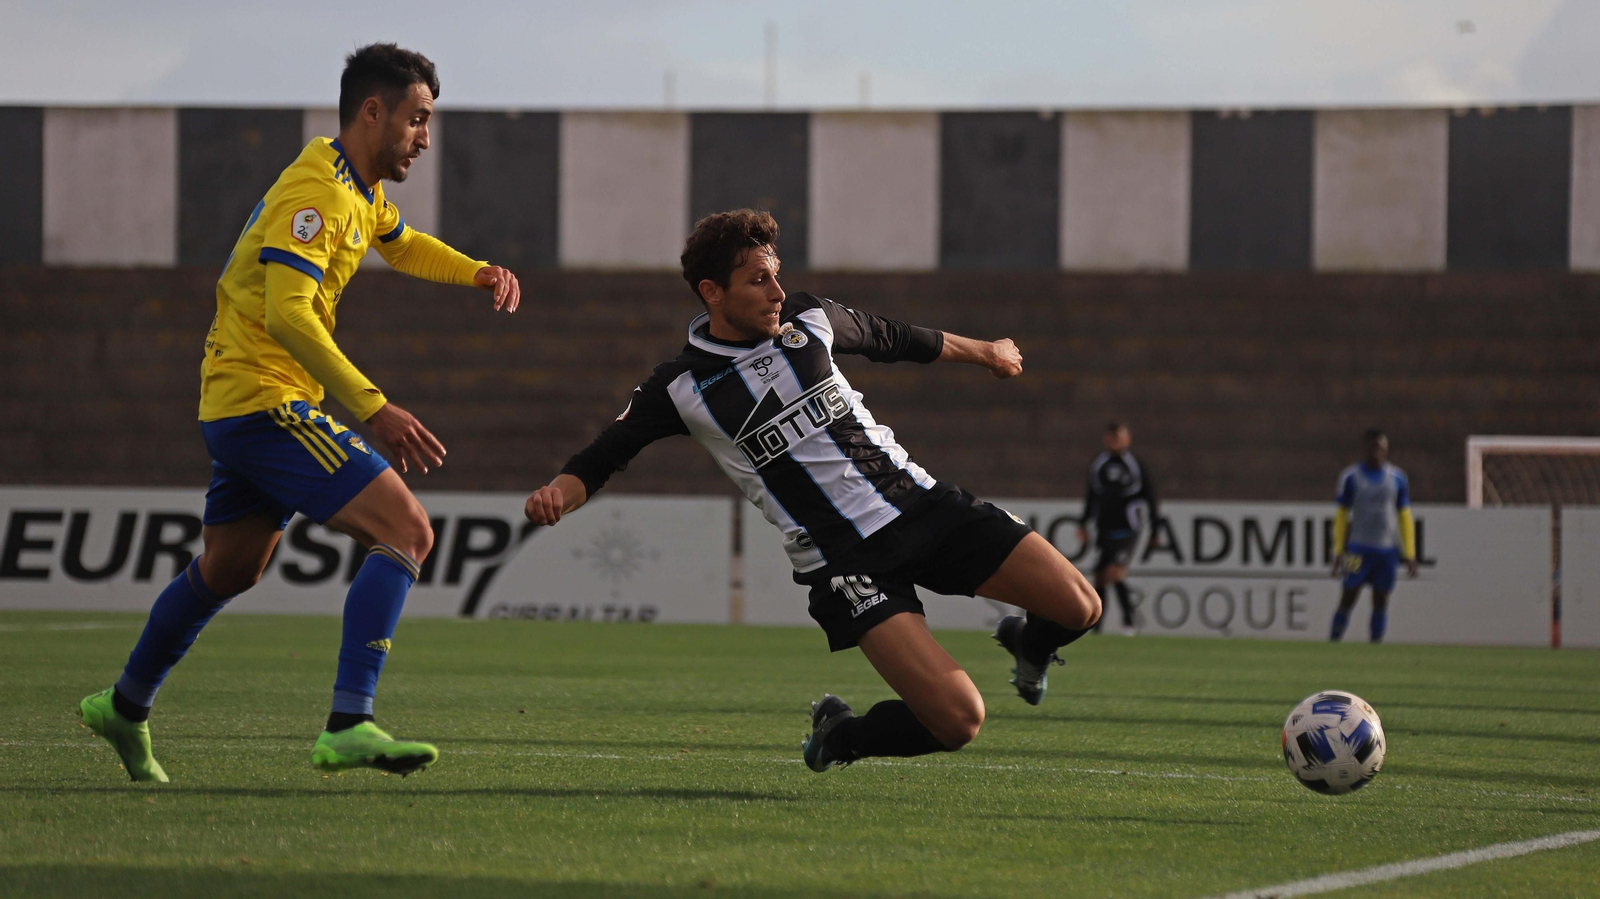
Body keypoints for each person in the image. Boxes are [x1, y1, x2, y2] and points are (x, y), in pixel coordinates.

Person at [79, 43, 522, 782]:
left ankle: (123, 707)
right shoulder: (315, 193)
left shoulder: (357, 187)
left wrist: (475, 270)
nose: (425, 137)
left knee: (230, 569)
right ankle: (349, 721)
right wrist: (373, 407)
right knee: (408, 530)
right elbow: (287, 316)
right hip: (263, 399)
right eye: (416, 119)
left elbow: (402, 243)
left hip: (241, 402)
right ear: (372, 111)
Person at [523, 210, 1100, 773]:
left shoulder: (810, 319)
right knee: (958, 721)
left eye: (777, 274)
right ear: (712, 292)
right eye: (758, 280)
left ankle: (1029, 643)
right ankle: (841, 735)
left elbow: (894, 337)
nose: (777, 290)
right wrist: (556, 492)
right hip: (847, 560)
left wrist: (987, 352)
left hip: (920, 504)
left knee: (1080, 606)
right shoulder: (679, 387)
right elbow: (601, 458)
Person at [1329, 428, 1418, 644]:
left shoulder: (1397, 478)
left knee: (1381, 599)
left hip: (1386, 551)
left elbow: (1404, 517)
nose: (1377, 452)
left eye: (1381, 448)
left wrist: (1410, 553)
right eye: (1373, 447)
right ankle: (1333, 641)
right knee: (1348, 596)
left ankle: (1376, 645)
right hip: (1358, 549)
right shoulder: (1351, 477)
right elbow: (1341, 516)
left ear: (1386, 450)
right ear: (1365, 448)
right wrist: (1339, 550)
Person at [1076, 421, 1158, 636]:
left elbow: (1149, 496)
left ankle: (1129, 621)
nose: (1115, 441)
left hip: (1128, 528)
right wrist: (1083, 523)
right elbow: (1091, 495)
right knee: (1100, 577)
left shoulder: (1134, 465)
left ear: (1127, 439)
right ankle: (1097, 626)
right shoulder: (1099, 463)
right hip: (1104, 529)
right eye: (1112, 437)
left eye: (1119, 437)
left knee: (1115, 573)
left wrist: (1155, 529)